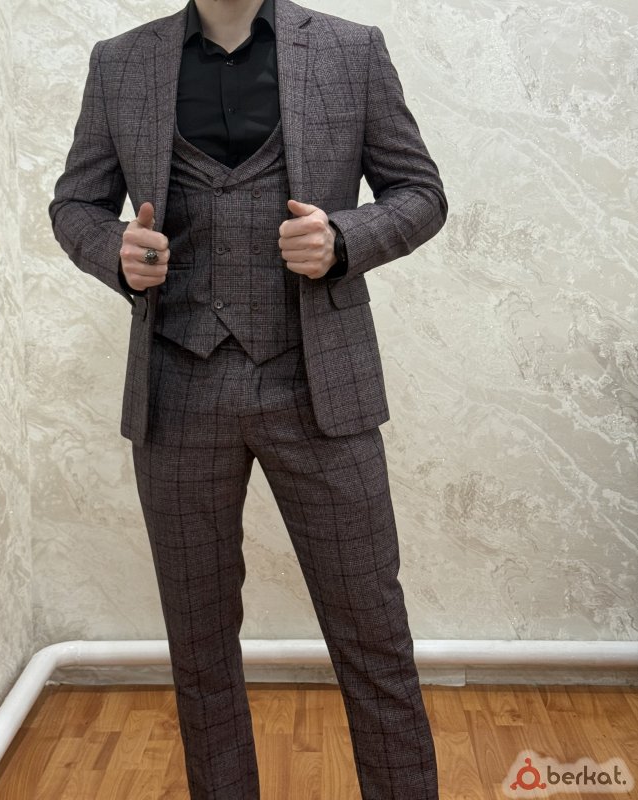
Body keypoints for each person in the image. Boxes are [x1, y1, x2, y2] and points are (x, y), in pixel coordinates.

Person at [48, 0, 447, 796]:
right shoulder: (119, 62)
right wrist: (115, 249)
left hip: (319, 384)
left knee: (373, 635)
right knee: (198, 649)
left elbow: (420, 192)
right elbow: (75, 205)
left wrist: (343, 238)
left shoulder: (351, 50)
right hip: (175, 386)